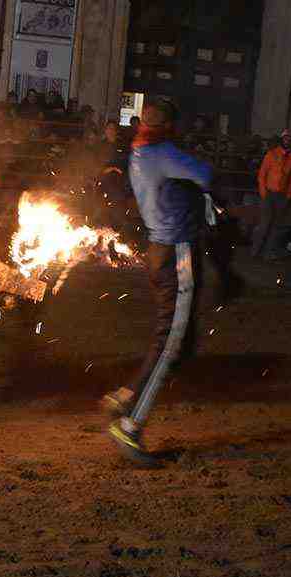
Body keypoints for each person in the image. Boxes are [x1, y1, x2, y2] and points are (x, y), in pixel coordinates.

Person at [102, 100, 215, 464]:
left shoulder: (139, 151)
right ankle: (131, 425)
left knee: (167, 334)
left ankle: (127, 395)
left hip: (158, 247)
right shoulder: (164, 152)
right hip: (175, 251)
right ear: (169, 124)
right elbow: (206, 174)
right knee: (172, 340)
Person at [251, 129, 291, 260]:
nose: (288, 141)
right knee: (265, 224)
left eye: (290, 139)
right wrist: (264, 193)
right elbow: (262, 175)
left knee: (275, 226)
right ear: (282, 139)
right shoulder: (271, 154)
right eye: (286, 138)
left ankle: (267, 253)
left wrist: (288, 196)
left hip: (281, 196)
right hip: (269, 193)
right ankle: (256, 251)